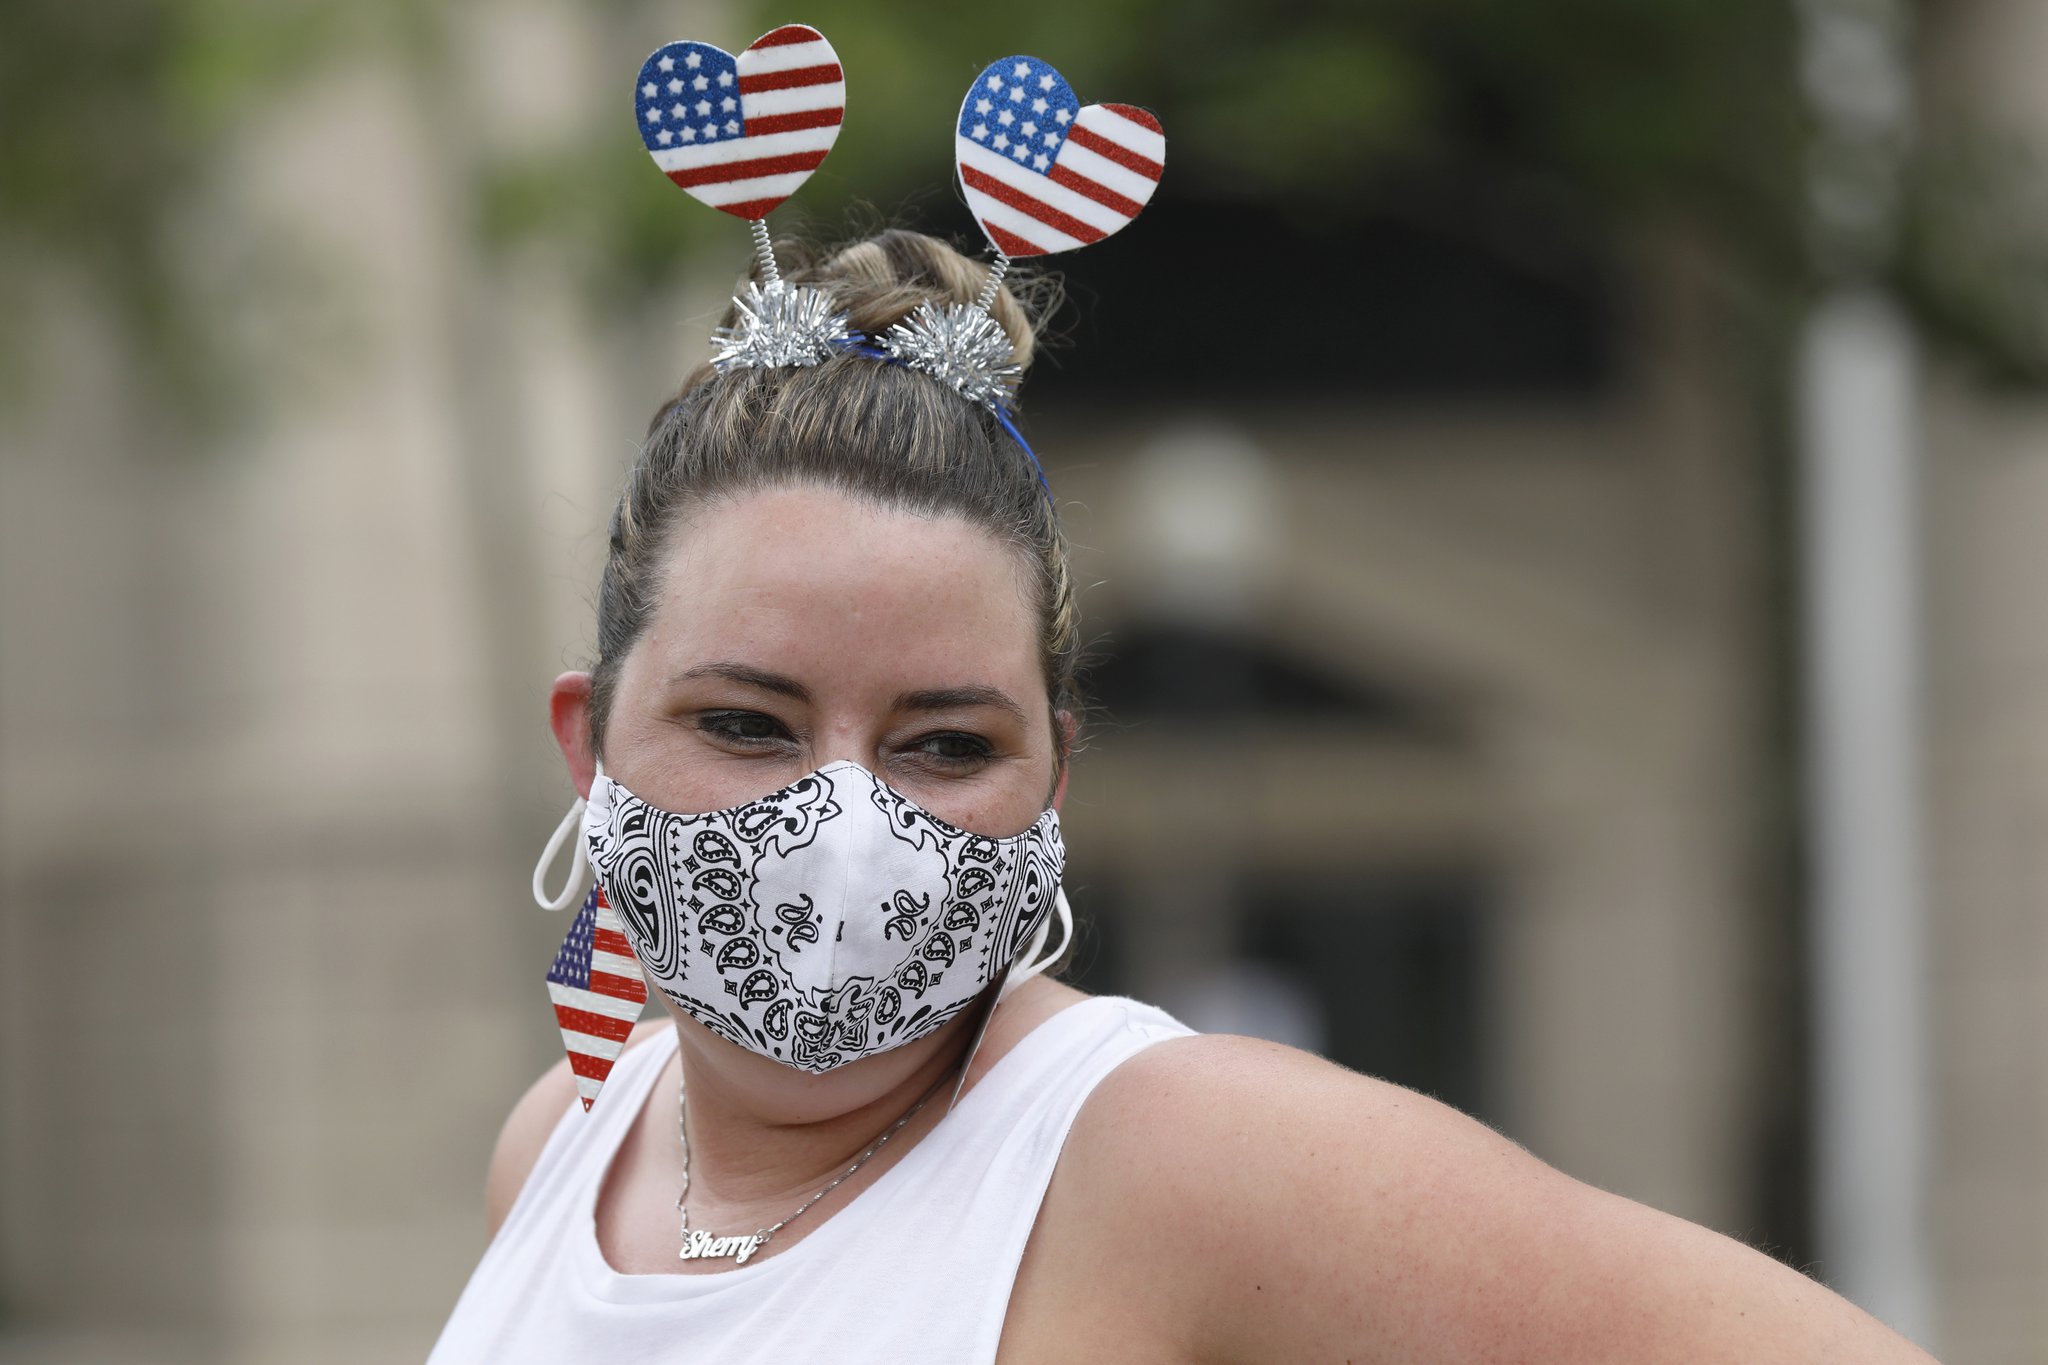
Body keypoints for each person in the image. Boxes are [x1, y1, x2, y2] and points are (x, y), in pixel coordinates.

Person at [429, 228, 1938, 1363]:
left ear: (1055, 779)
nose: (837, 821)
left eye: (944, 744)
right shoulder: (567, 1135)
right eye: (747, 721)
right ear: (592, 742)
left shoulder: (1172, 1152)